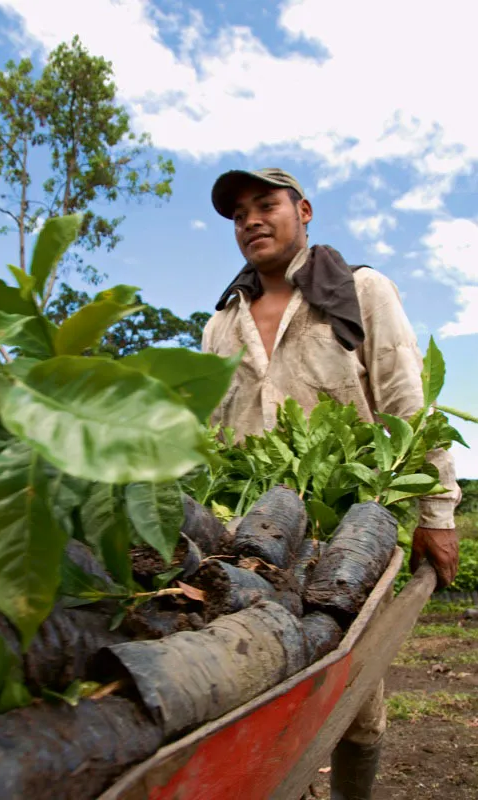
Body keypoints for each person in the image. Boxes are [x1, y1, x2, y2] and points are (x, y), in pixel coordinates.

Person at [202, 167, 460, 800]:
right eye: (238, 215)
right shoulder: (219, 325)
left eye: (266, 205)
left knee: (356, 693)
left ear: (305, 211)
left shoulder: (357, 290)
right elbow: (207, 435)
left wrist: (438, 512)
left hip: (350, 532)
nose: (251, 221)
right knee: (250, 674)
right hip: (248, 539)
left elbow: (405, 401)